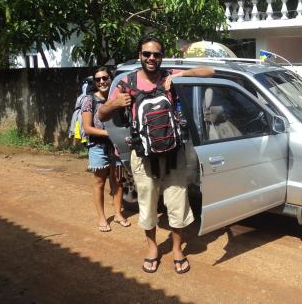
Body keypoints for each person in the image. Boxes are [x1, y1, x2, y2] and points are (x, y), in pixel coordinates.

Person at [98, 36, 214, 274]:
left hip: (173, 155)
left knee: (178, 202)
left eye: (156, 54)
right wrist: (115, 103)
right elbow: (101, 115)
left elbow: (209, 71)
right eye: (146, 54)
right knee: (148, 204)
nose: (151, 58)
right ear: (139, 55)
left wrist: (181, 76)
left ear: (162, 57)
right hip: (143, 157)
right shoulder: (126, 84)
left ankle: (177, 249)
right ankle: (152, 248)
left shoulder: (169, 76)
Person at [82, 67, 131, 232]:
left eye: (105, 78)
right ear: (95, 83)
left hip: (117, 146)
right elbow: (88, 129)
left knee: (117, 180)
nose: (102, 81)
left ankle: (118, 214)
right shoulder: (89, 100)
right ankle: (102, 217)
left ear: (111, 79)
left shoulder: (117, 99)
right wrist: (109, 133)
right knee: (99, 182)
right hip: (98, 147)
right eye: (98, 79)